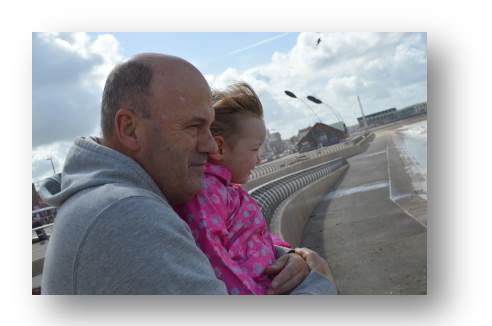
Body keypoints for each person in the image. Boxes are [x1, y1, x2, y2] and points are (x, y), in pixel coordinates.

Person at [38, 53, 336, 294]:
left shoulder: (108, 199)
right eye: (194, 127)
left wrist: (292, 256)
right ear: (130, 129)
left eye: (210, 127)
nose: (210, 146)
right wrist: (318, 279)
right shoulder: (124, 212)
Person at [174, 82, 336, 294]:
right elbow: (214, 257)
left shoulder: (228, 190)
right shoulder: (208, 193)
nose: (259, 159)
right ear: (220, 147)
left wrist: (289, 251)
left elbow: (258, 237)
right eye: (254, 149)